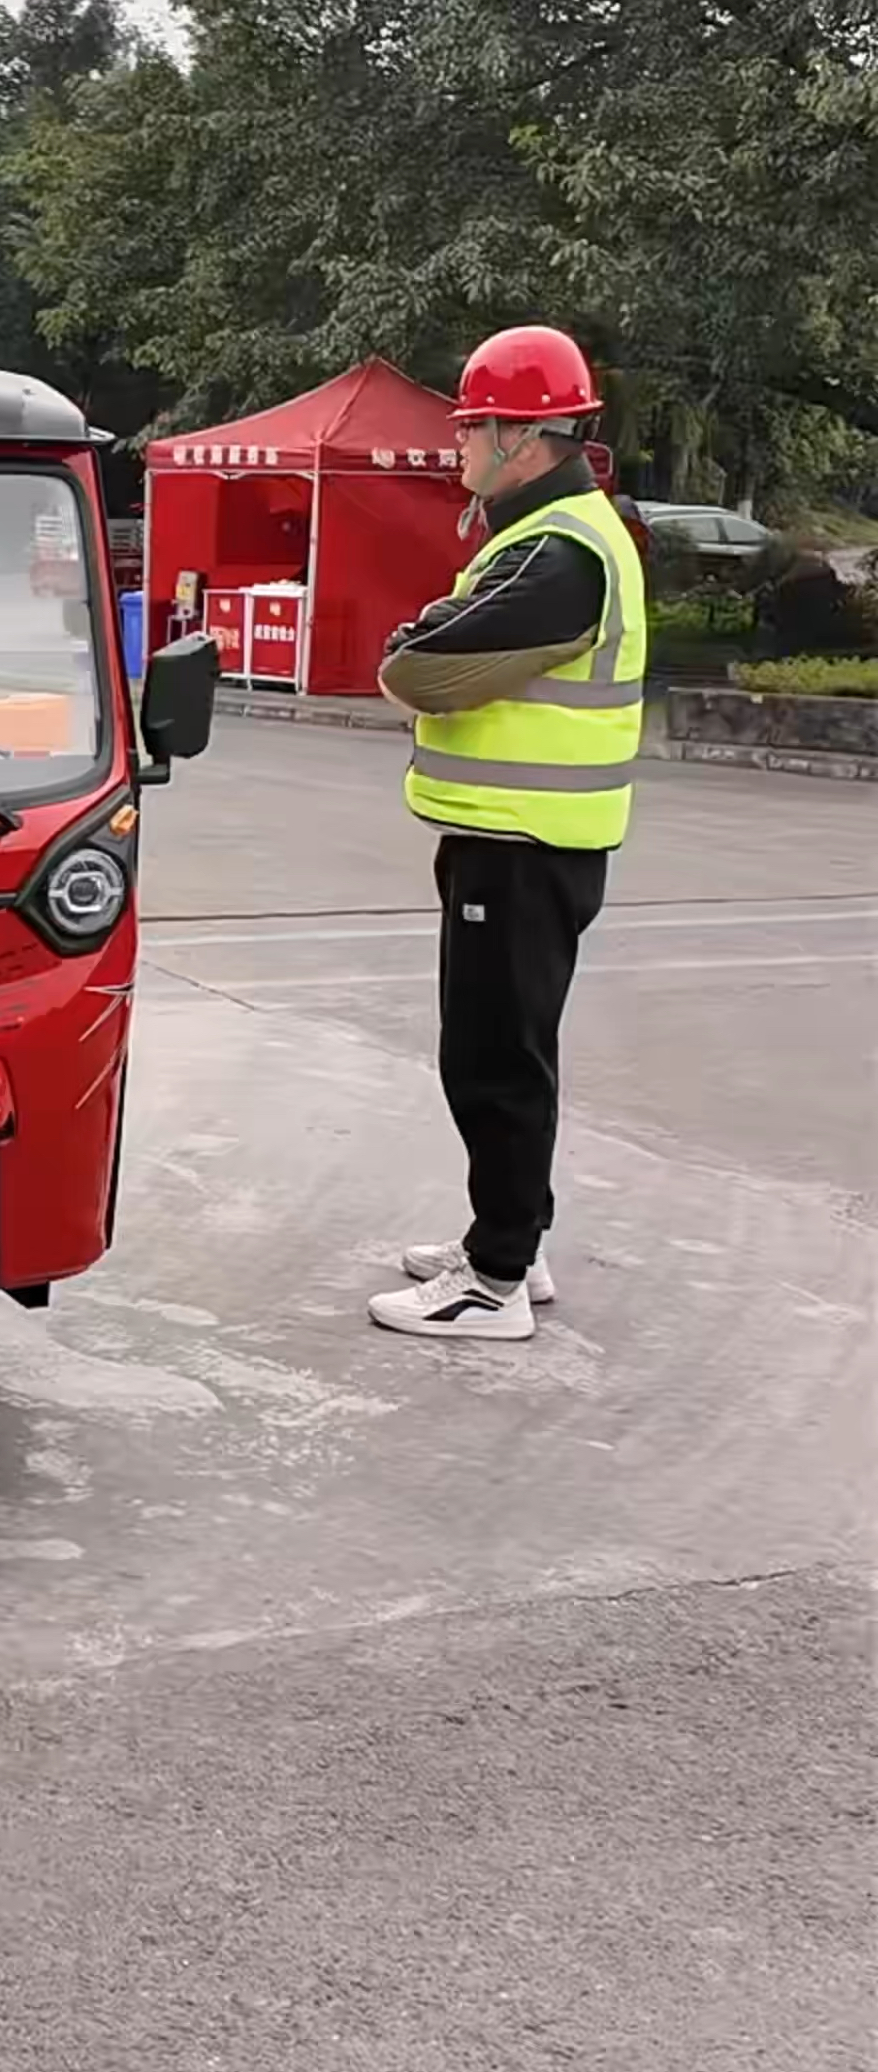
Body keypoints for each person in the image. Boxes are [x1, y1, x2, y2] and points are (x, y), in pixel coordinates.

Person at [369, 324, 646, 1345]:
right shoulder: (550, 534)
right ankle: (515, 1240)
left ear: (522, 436)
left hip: (524, 844)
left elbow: (421, 663)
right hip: (522, 839)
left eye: (470, 425)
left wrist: (410, 645)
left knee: (493, 1058)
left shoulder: (559, 551)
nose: (458, 443)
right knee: (509, 1047)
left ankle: (493, 1280)